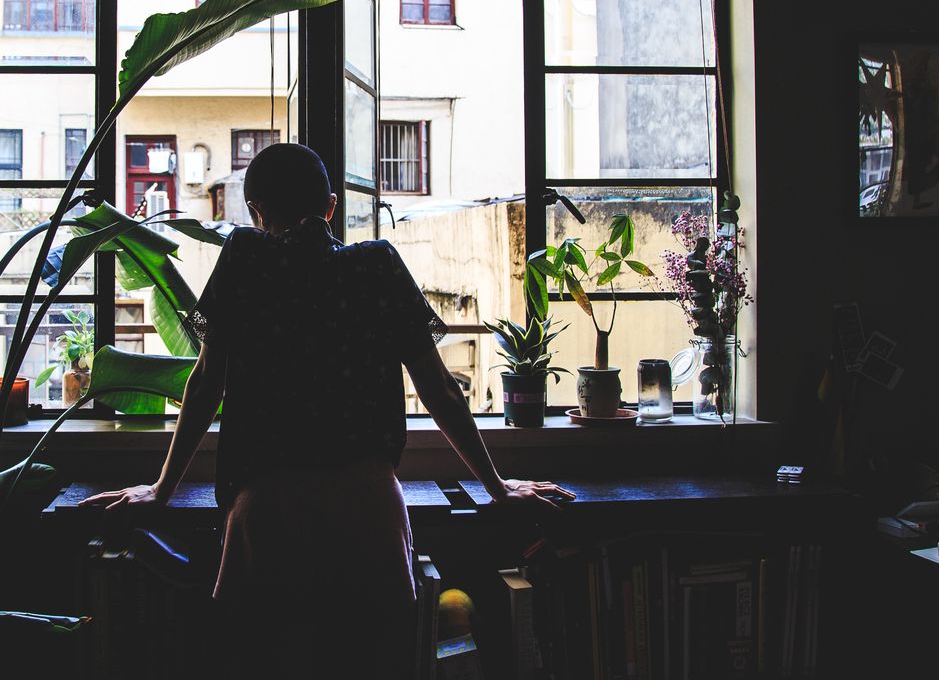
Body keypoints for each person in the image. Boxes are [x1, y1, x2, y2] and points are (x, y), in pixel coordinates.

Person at [80, 143, 575, 678]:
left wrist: (162, 490)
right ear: (332, 207)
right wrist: (497, 485)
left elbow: (204, 386)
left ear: (255, 212)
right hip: (370, 512)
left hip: (267, 513)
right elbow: (439, 390)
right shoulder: (378, 265)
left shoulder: (245, 257)